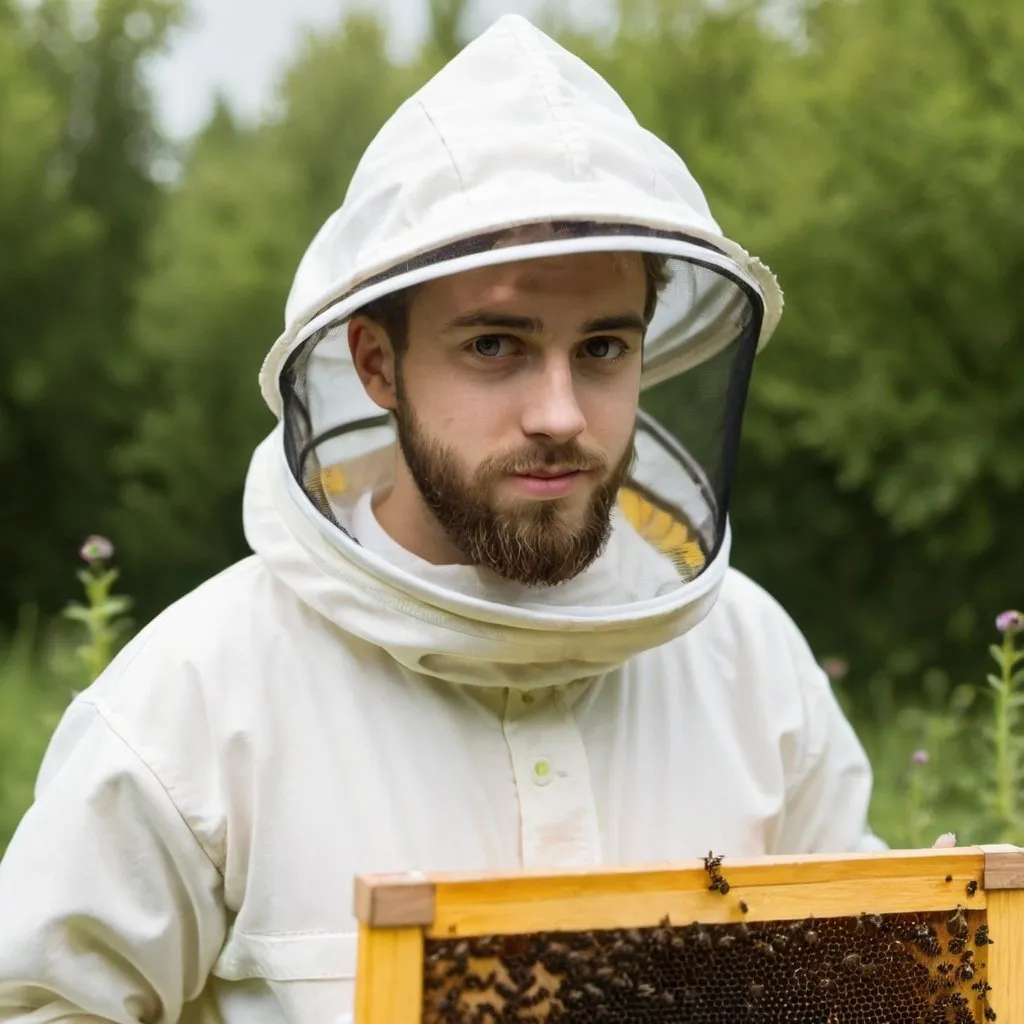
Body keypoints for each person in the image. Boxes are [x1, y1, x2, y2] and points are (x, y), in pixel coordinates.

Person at [0, 14, 887, 1023]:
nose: (558, 413)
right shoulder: (196, 700)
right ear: (378, 363)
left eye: (601, 348)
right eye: (496, 345)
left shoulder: (753, 667)